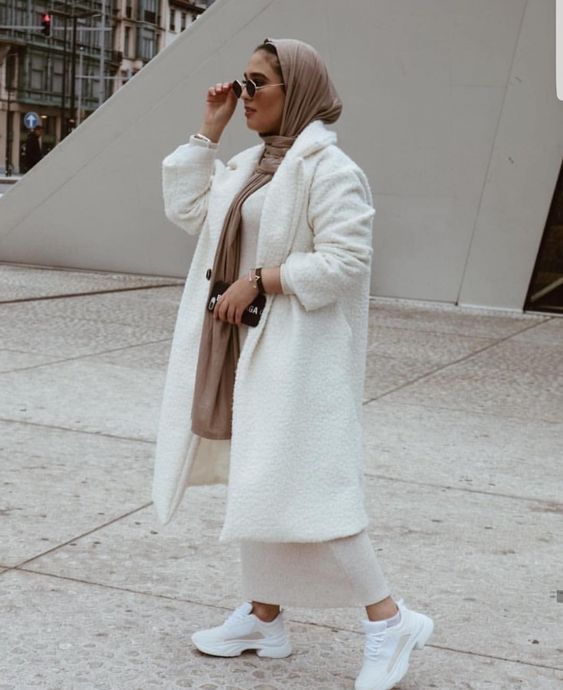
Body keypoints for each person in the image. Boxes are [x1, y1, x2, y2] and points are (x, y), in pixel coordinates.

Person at [152, 38, 434, 690]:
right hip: (248, 353)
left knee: (316, 494)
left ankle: (390, 621)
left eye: (257, 84)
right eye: (242, 81)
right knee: (260, 482)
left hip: (300, 360)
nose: (243, 94)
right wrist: (209, 131)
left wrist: (261, 279)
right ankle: (264, 617)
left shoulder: (329, 170)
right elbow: (189, 212)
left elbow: (345, 263)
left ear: (297, 90)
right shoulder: (252, 164)